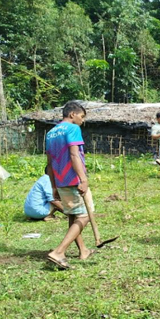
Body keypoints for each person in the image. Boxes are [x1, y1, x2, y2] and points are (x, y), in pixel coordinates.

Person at [45, 101, 95, 269]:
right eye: (81, 117)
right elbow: (74, 155)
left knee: (73, 215)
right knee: (85, 215)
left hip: (59, 180)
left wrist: (53, 187)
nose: (82, 121)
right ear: (72, 114)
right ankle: (59, 252)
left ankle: (83, 250)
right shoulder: (73, 129)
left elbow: (50, 163)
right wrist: (83, 179)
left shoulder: (51, 133)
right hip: (73, 179)